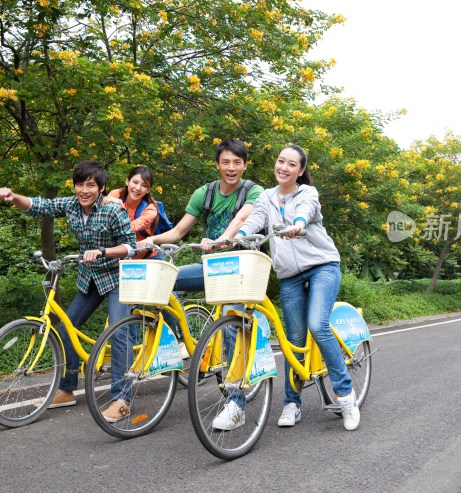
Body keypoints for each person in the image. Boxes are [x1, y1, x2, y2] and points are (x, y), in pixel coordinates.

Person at [224, 144, 361, 431]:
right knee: (293, 339)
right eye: (280, 161)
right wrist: (235, 238)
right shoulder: (266, 196)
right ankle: (292, 403)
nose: (283, 167)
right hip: (290, 275)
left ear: (300, 171)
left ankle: (346, 396)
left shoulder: (307, 193)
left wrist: (297, 225)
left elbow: (306, 212)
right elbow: (255, 221)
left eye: (291, 164)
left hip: (322, 266)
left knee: (317, 325)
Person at [0, 160, 137, 422]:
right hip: (89, 278)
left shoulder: (112, 211)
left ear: (101, 188)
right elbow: (39, 206)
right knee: (66, 328)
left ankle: (122, 399)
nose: (84, 190)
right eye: (80, 185)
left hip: (117, 277)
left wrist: (103, 251)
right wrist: (13, 196)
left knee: (119, 332)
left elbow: (131, 247)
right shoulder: (71, 204)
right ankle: (67, 389)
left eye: (91, 185)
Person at [139, 139, 264, 291]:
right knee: (161, 280)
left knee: (232, 311)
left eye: (237, 162)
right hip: (212, 265)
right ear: (217, 164)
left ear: (245, 165)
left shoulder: (254, 191)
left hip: (243, 267)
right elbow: (178, 231)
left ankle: (251, 314)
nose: (231, 168)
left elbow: (241, 219)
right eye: (225, 162)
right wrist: (152, 239)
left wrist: (218, 241)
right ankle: (181, 316)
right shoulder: (204, 194)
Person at [103, 165, 161, 260]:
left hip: (147, 257)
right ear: (127, 181)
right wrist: (106, 200)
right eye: (135, 182)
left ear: (148, 190)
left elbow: (127, 229)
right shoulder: (115, 195)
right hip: (121, 256)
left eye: (144, 185)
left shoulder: (150, 210)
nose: (138, 188)